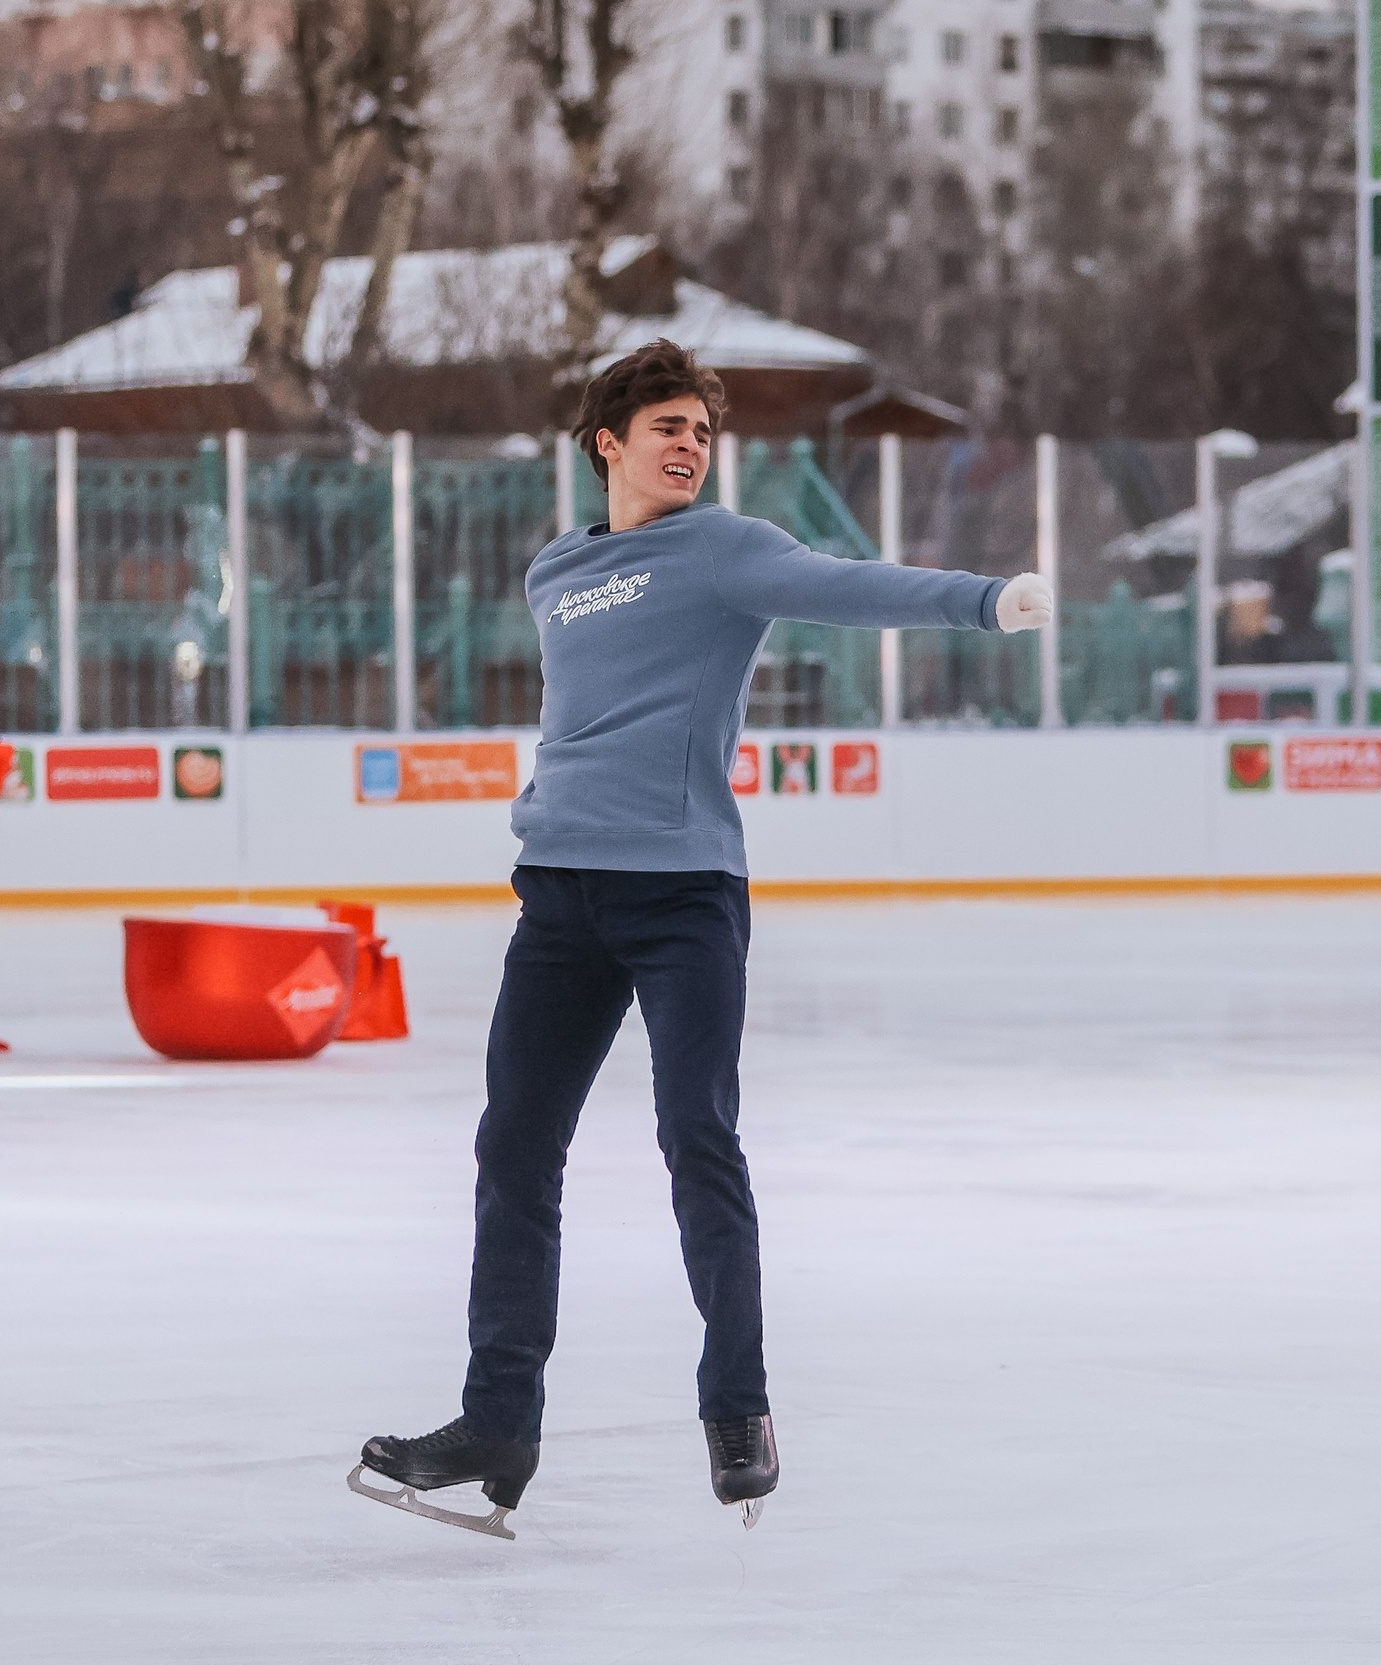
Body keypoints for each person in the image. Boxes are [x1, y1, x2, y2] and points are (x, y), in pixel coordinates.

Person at [351, 342, 1053, 1537]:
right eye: (666, 426)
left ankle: (738, 1407)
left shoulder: (726, 550)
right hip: (559, 898)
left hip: (681, 898)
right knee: (513, 1152)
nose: (688, 445)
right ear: (606, 443)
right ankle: (497, 1423)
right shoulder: (556, 570)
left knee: (696, 1142)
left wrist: (983, 600)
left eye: (701, 432)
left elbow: (849, 584)